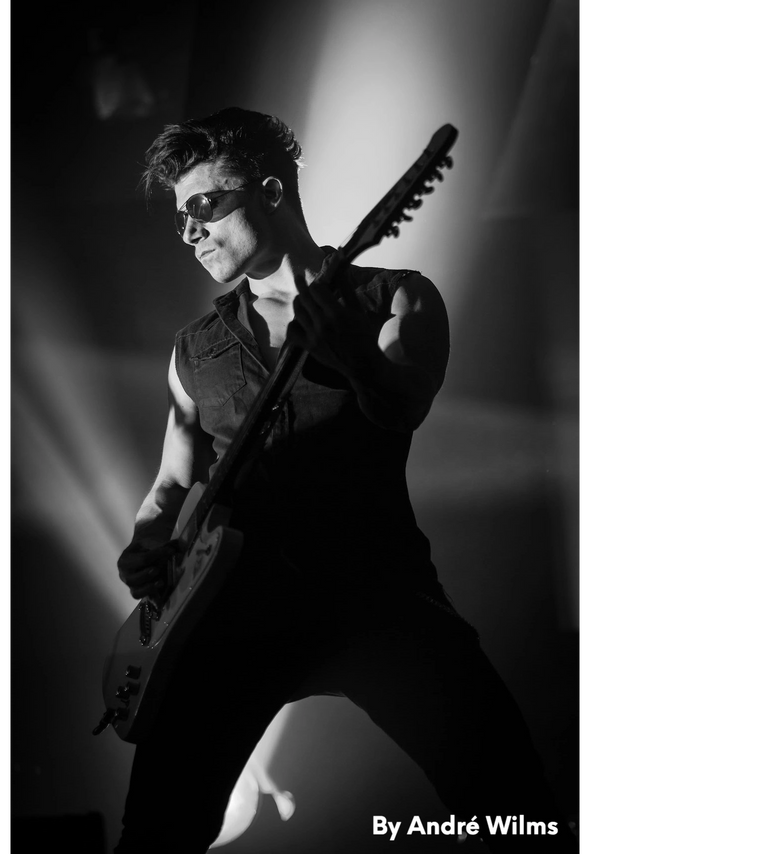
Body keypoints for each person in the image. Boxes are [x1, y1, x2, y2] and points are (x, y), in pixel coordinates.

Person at [113, 107, 575, 852]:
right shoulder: (192, 349)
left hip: (380, 597)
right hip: (235, 616)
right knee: (155, 835)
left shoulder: (398, 298)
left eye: (204, 204)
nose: (191, 230)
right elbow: (171, 485)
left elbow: (401, 408)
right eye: (181, 218)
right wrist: (144, 544)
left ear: (269, 189)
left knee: (512, 807)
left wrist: (355, 356)